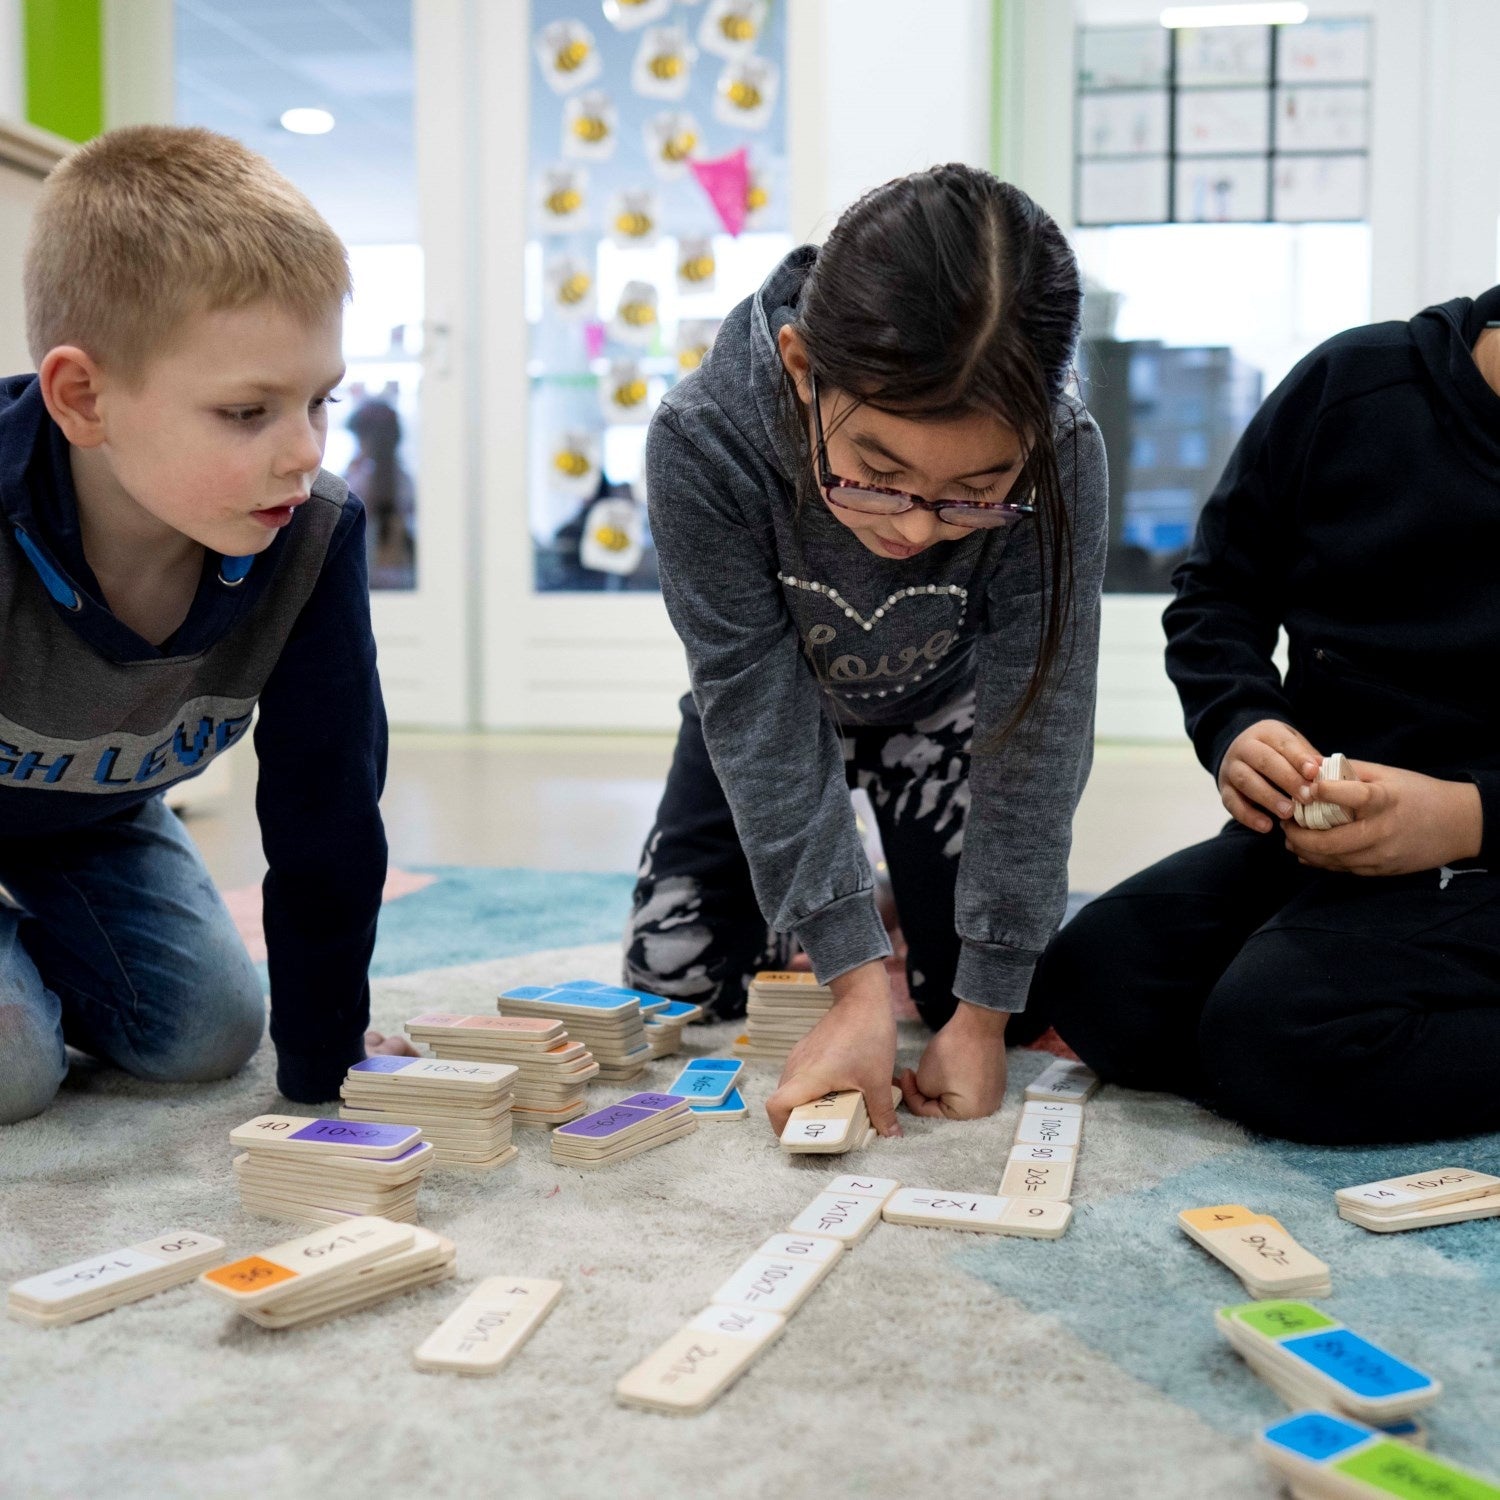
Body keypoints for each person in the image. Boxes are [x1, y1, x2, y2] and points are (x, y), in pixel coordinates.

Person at [623, 165, 1108, 1137]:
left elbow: (1037, 723)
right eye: (878, 477)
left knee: (975, 995)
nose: (920, 529)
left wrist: (979, 1013)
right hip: (775, 709)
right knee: (677, 986)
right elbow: (750, 699)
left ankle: (884, 891)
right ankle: (855, 895)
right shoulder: (703, 438)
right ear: (803, 368)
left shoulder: (1064, 454)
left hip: (943, 717)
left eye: (975, 490)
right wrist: (851, 986)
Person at [0, 125, 415, 1125]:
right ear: (84, 398)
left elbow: (329, 806)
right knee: (13, 1070)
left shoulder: (311, 537)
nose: (301, 454)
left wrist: (324, 1068)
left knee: (209, 1038)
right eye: (246, 413)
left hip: (89, 824)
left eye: (320, 402)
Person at [1031, 287, 1500, 1146]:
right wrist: (1239, 722)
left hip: (1484, 852)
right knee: (1095, 982)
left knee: (1272, 1037)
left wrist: (1464, 817)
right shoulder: (1354, 383)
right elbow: (1217, 591)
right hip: (1312, 838)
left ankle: (1284, 1045)